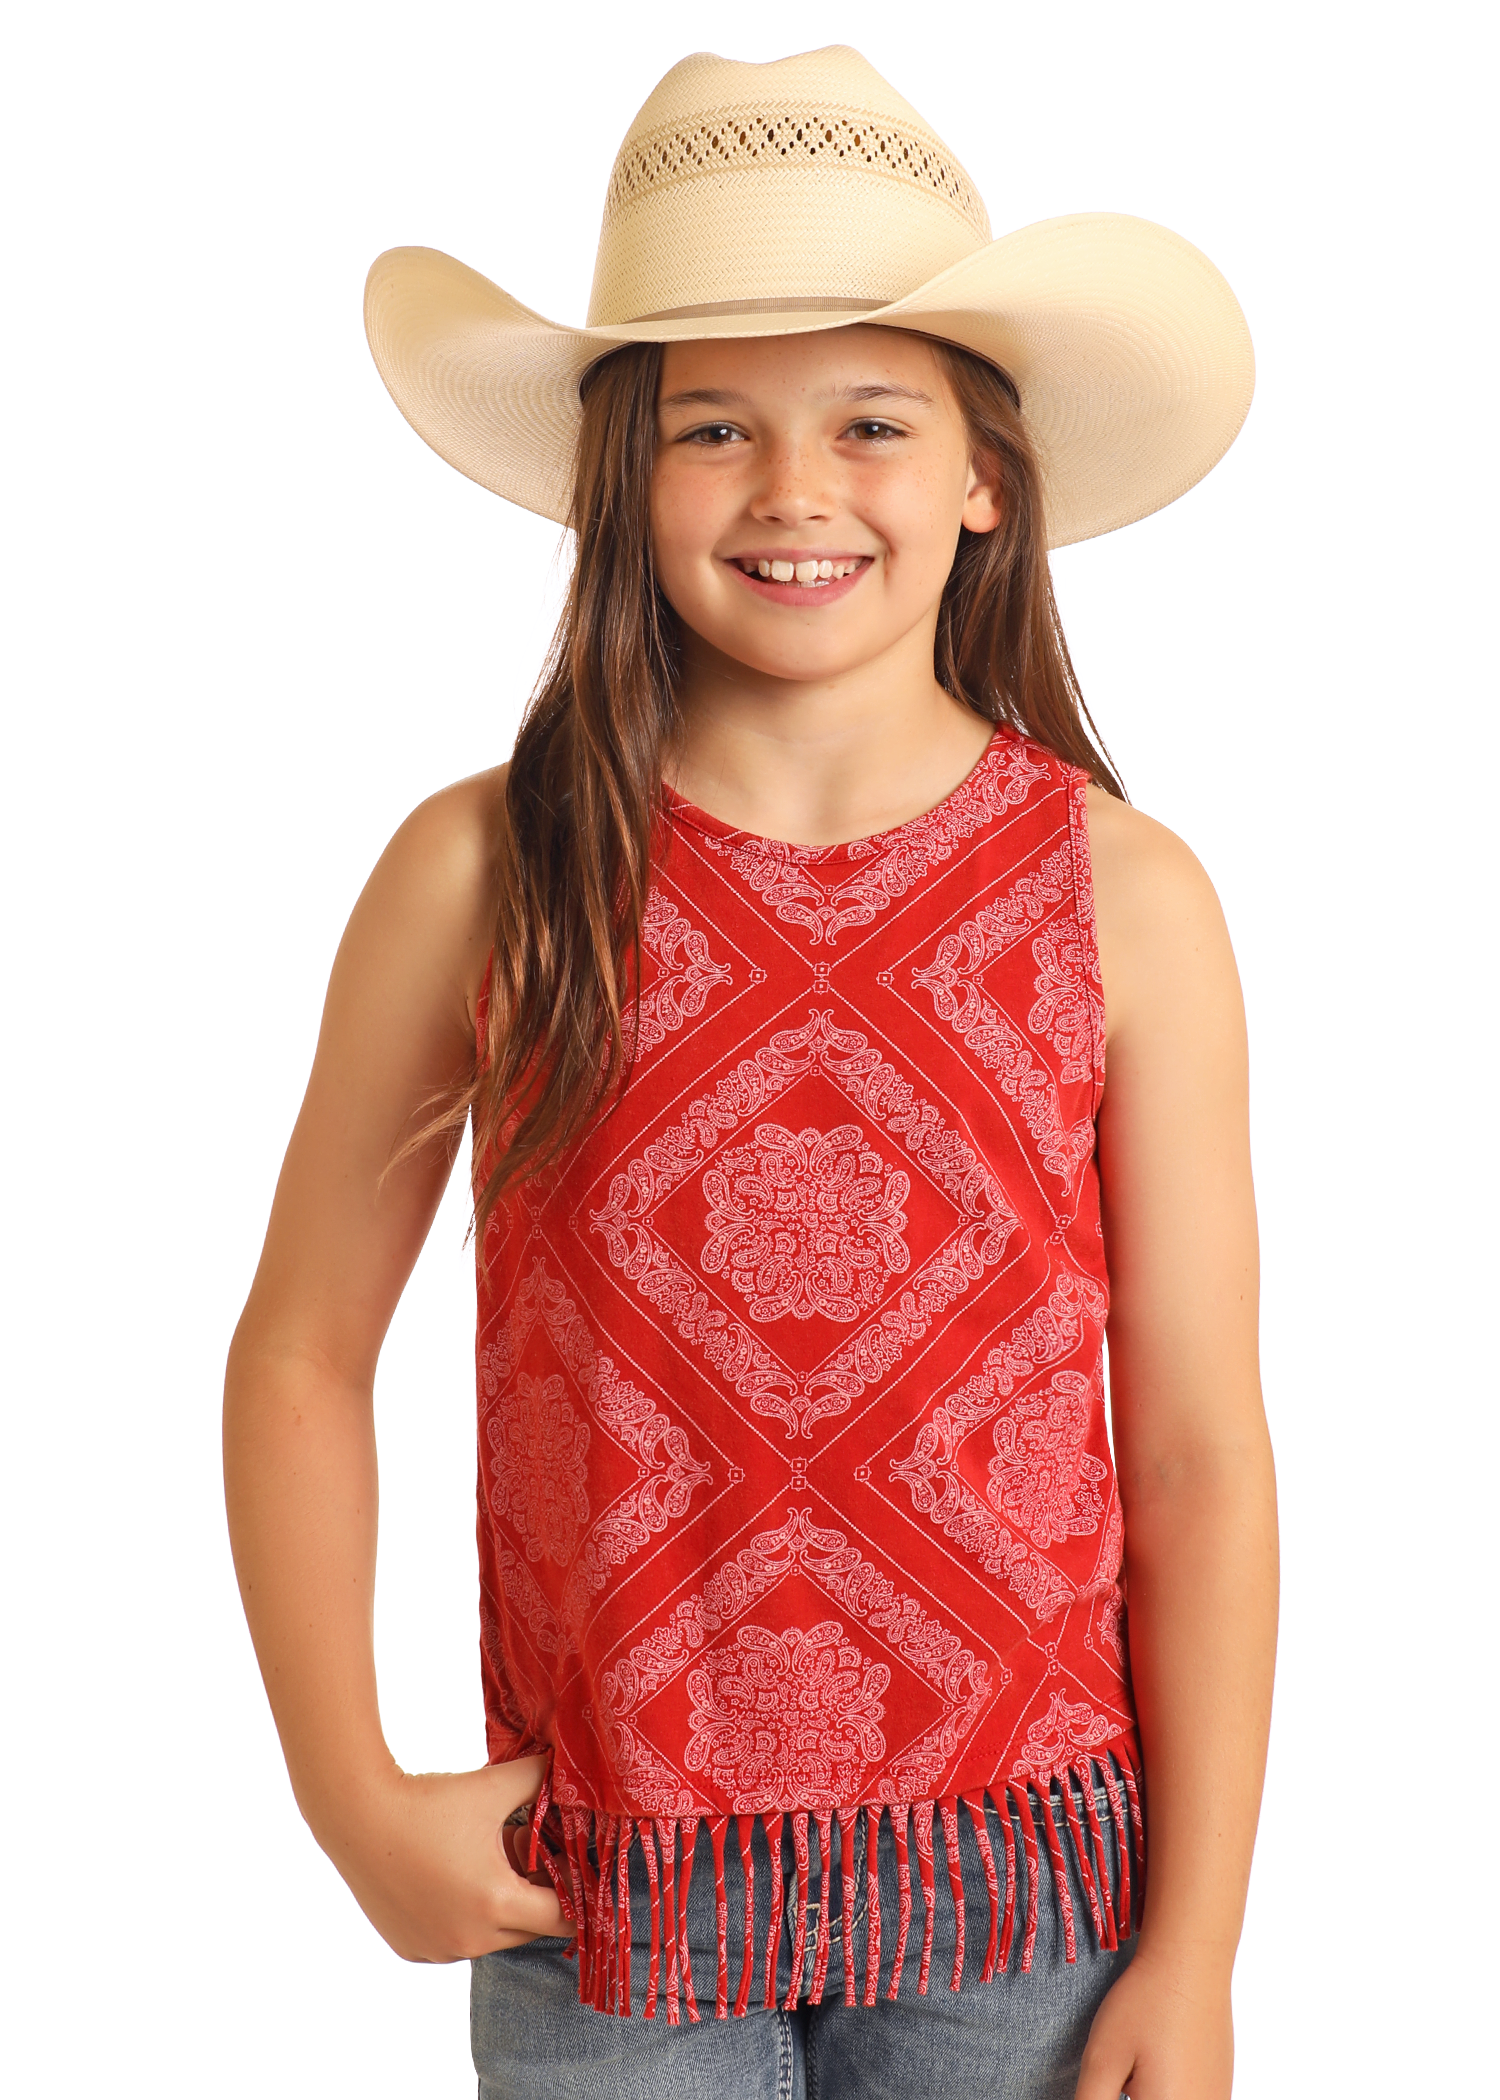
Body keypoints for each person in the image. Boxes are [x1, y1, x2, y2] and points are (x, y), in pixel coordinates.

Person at [224, 45, 1277, 2100]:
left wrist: (1204, 1943)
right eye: (716, 428)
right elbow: (296, 1356)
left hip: (1027, 1903)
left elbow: (1198, 1456)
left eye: (869, 424)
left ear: (986, 473)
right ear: (629, 473)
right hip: (605, 1906)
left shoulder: (1122, 901)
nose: (796, 492)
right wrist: (351, 1798)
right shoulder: (488, 870)